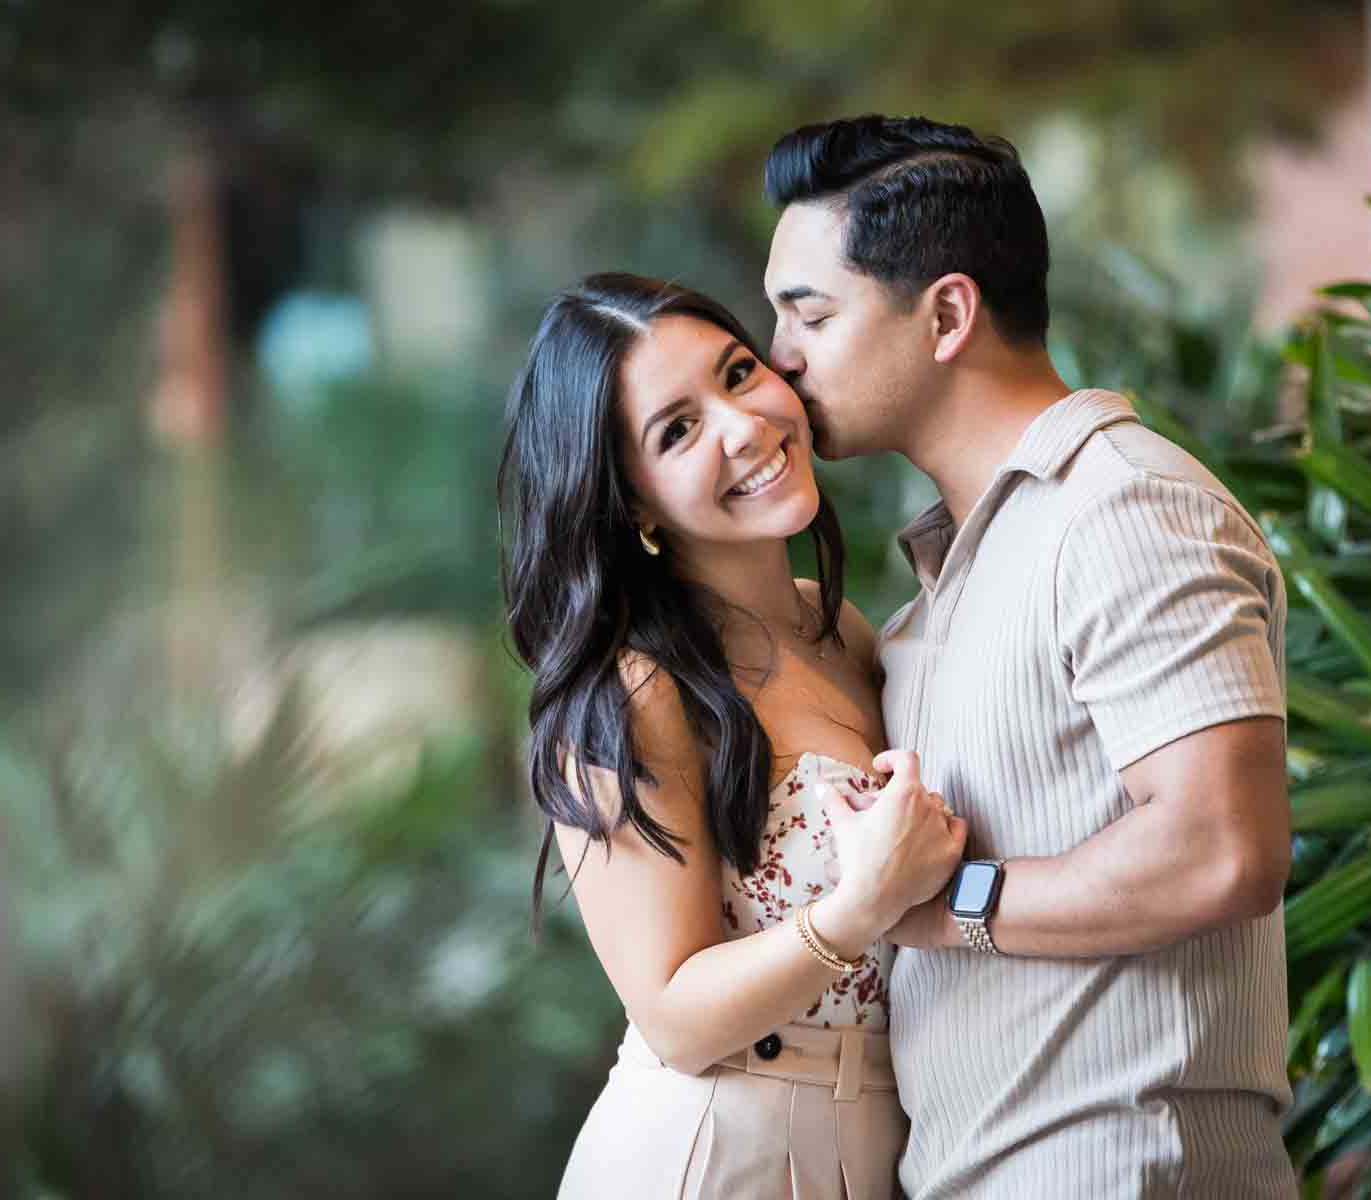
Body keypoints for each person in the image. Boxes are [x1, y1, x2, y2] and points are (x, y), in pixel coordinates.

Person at [760, 115, 1297, 1198]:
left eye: (809, 312)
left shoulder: (1122, 507)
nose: (781, 358)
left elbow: (1221, 850)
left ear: (948, 313)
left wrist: (941, 904)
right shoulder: (955, 569)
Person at [498, 273, 968, 1198]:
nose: (746, 426)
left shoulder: (837, 626)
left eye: (740, 372)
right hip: (715, 1153)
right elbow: (672, 1014)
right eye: (678, 430)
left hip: (877, 1144)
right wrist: (858, 907)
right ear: (631, 506)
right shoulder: (631, 691)